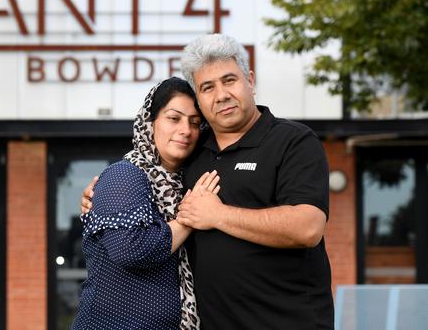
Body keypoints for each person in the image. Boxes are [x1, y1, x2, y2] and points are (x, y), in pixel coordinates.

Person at [82, 34, 334, 329]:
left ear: (249, 81)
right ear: (199, 99)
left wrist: (217, 215)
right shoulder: (192, 151)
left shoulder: (293, 141)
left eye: (230, 80)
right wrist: (99, 192)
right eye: (207, 87)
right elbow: (147, 178)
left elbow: (307, 228)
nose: (222, 95)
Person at [72, 77, 219, 330]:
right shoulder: (124, 175)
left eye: (195, 123)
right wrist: (190, 216)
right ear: (149, 123)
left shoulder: (185, 183)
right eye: (174, 118)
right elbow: (131, 248)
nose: (186, 130)